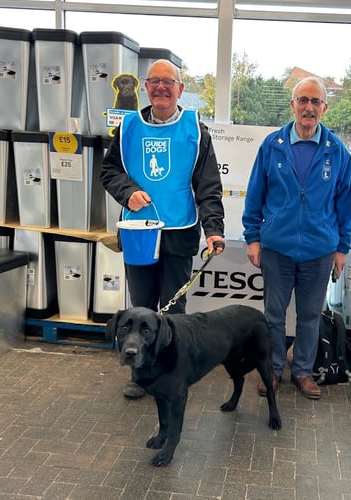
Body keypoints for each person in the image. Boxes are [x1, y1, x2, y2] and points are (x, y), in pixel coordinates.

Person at [101, 59, 226, 399]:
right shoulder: (127, 129)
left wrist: (213, 229)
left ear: (180, 89)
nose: (161, 87)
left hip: (180, 232)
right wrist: (128, 192)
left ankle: (171, 371)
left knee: (174, 312)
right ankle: (139, 373)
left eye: (168, 82)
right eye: (154, 81)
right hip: (139, 232)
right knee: (140, 308)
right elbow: (109, 171)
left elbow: (208, 186)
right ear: (145, 87)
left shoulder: (195, 131)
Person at [242, 77, 351, 400]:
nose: (308, 107)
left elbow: (345, 204)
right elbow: (255, 195)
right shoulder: (272, 145)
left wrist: (341, 248)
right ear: (292, 105)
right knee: (274, 314)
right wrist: (253, 237)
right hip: (277, 247)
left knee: (309, 316)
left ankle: (303, 371)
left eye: (315, 102)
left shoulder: (337, 152)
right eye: (302, 100)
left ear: (324, 107)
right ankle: (274, 368)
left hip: (320, 250)